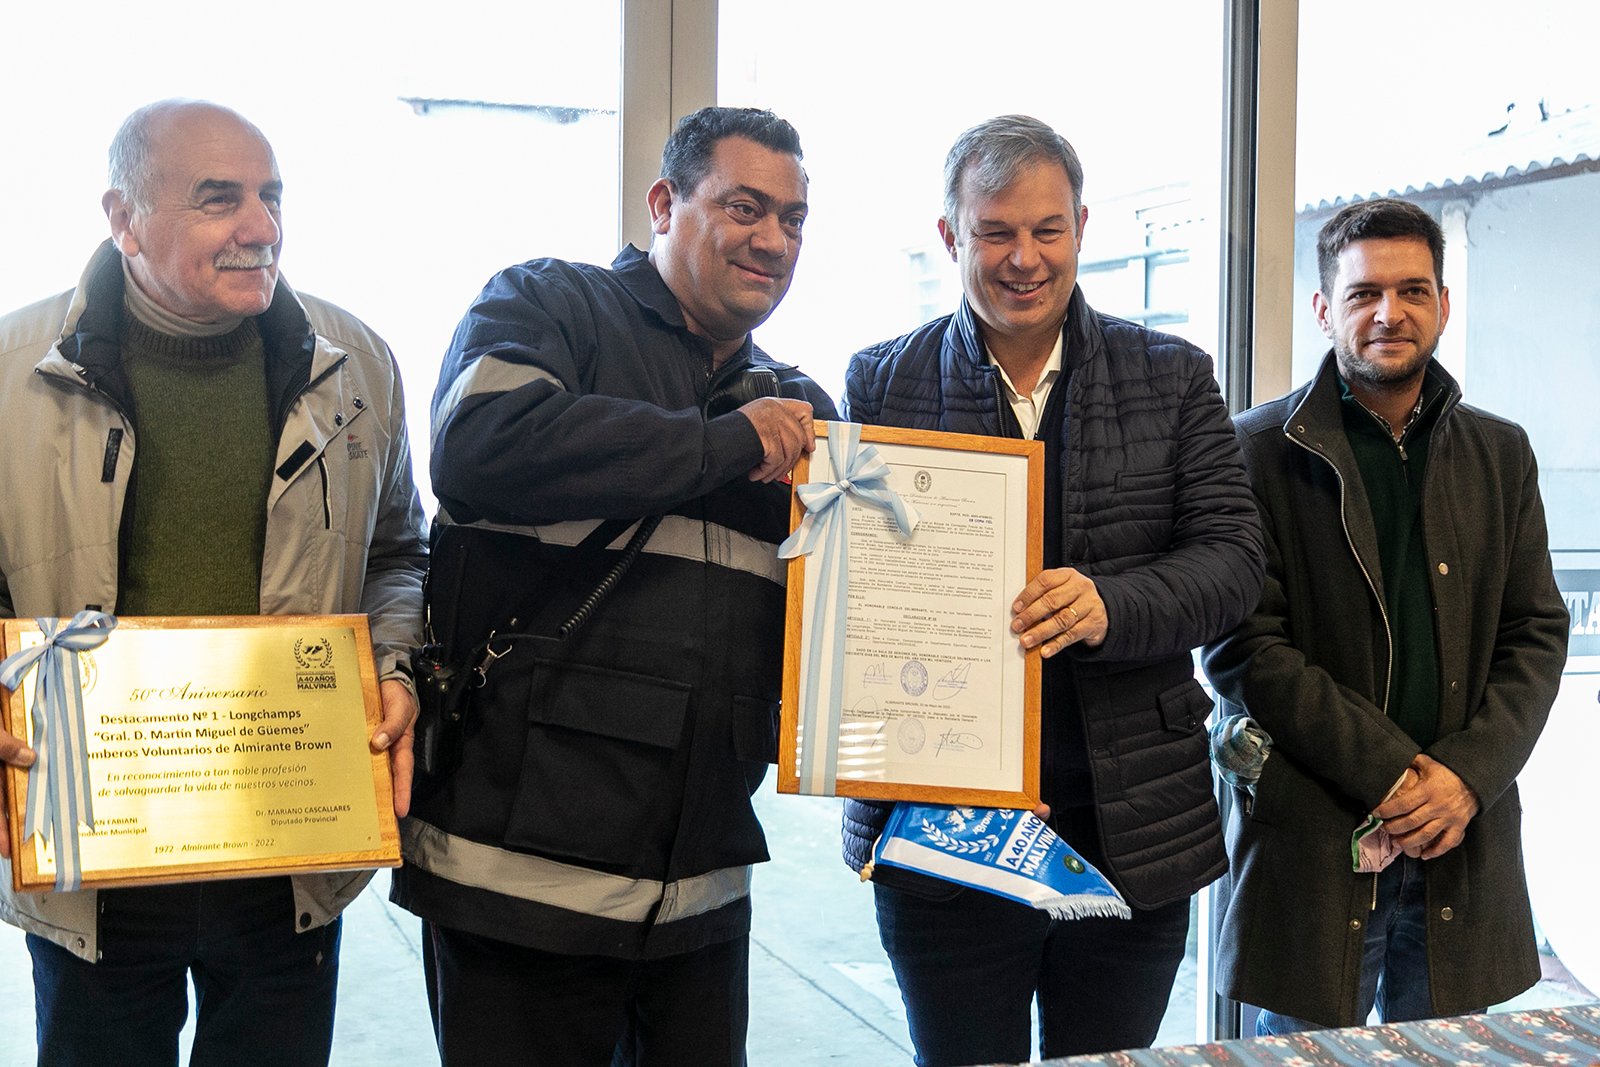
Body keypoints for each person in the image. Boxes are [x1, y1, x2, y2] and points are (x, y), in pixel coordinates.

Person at [391, 106, 835, 1066]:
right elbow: (481, 445)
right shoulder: (547, 303)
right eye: (746, 207)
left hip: (704, 893)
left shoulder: (802, 404)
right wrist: (728, 442)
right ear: (665, 202)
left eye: (794, 219)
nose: (774, 240)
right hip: (520, 892)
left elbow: (842, 612)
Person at [0, 99, 427, 1063]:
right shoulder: (11, 373)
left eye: (272, 197)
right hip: (95, 860)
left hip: (287, 852)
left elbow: (401, 552)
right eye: (219, 200)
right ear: (124, 217)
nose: (263, 227)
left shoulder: (354, 363)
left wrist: (392, 668)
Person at [839, 115, 1265, 1064]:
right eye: (995, 232)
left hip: (1131, 836)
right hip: (942, 839)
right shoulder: (882, 381)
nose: (1023, 258)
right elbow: (853, 596)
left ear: (1082, 226)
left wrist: (1113, 603)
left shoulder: (1174, 376)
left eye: (1047, 230)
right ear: (952, 236)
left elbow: (1235, 561)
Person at [1202, 197, 1569, 1033]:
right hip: (1316, 837)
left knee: (1449, 1052)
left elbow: (1537, 633)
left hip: (1458, 840)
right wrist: (1396, 777)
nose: (1388, 313)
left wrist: (1465, 777)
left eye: (1412, 290)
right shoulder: (1255, 452)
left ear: (1443, 303)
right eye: (1364, 293)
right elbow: (1242, 647)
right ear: (1326, 309)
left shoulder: (1501, 453)